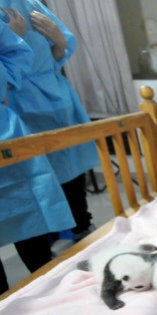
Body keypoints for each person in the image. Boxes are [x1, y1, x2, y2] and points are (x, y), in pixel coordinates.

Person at [0, 0, 99, 241]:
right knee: (41, 176)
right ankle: (51, 237)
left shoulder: (30, 3)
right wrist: (15, 40)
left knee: (72, 166)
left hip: (57, 98)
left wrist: (60, 40)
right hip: (21, 102)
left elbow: (56, 54)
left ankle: (81, 227)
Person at [0, 18, 76, 295]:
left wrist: (6, 82)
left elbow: (16, 53)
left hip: (5, 127)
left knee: (29, 214)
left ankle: (50, 288)